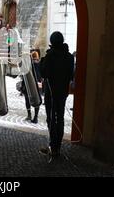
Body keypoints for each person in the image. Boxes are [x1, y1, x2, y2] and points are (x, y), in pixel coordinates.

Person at [39, 31, 74, 162]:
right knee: (60, 118)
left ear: (52, 42)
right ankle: (57, 147)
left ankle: (52, 146)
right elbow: (71, 75)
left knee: (51, 118)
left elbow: (44, 73)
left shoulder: (50, 56)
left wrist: (43, 60)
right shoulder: (70, 57)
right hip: (62, 92)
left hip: (51, 92)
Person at [21, 51, 42, 123]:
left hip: (29, 85)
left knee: (27, 100)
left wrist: (22, 86)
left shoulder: (28, 65)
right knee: (37, 100)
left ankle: (29, 115)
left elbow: (24, 76)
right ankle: (35, 117)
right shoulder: (39, 64)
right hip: (37, 84)